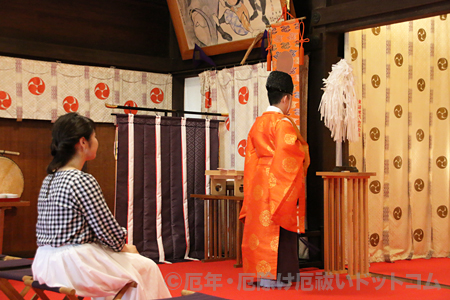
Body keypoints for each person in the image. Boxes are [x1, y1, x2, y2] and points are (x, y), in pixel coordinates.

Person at [32, 112, 171, 300]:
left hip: (44, 263)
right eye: (94, 136)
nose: (97, 141)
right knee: (145, 267)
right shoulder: (81, 180)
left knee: (121, 265)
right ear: (83, 142)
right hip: (74, 265)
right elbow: (108, 232)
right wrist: (124, 246)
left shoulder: (50, 179)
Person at [239, 70, 310, 287]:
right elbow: (291, 155)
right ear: (286, 98)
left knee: (260, 228)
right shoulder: (283, 123)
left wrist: (251, 188)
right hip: (278, 180)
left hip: (259, 178)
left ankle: (260, 276)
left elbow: (250, 159)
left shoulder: (258, 123)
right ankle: (280, 278)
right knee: (279, 224)